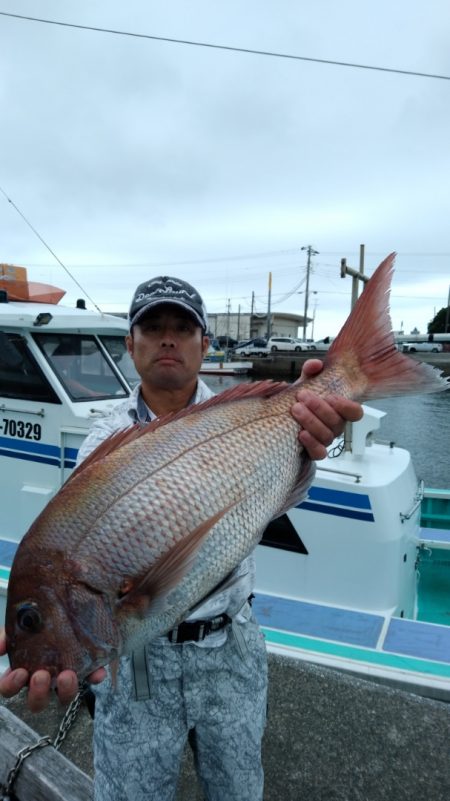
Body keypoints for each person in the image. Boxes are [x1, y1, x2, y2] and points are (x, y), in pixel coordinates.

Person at [0, 275, 363, 801]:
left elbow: (279, 497)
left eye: (181, 327)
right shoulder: (104, 439)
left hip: (229, 646)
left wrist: (310, 443)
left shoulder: (241, 412)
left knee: (238, 789)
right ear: (130, 345)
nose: (167, 338)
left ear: (204, 343)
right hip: (139, 665)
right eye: (152, 327)